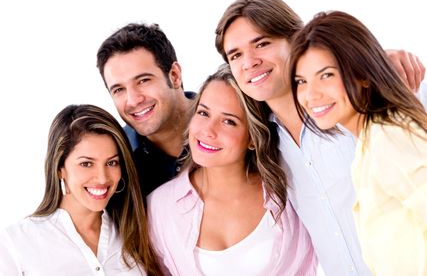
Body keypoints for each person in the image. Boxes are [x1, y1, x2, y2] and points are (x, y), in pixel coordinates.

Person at [214, 0, 427, 275]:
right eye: (235, 54)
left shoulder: (374, 98)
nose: (249, 62)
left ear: (295, 40)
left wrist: (375, 63)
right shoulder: (261, 144)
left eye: (262, 43)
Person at [290, 10, 427, 275]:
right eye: (301, 81)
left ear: (362, 74)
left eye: (326, 75)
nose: (311, 94)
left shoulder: (390, 137)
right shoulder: (369, 143)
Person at [147, 64, 317, 275]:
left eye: (229, 121)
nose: (208, 130)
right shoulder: (158, 207)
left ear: (253, 139)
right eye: (203, 113)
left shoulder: (290, 195)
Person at [0, 104, 162, 275]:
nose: (102, 178)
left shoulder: (136, 235)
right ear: (59, 168)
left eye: (111, 162)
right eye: (86, 164)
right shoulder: (15, 243)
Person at [96, 23, 194, 198]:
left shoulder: (237, 119)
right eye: (119, 90)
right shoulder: (116, 162)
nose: (133, 100)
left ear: (174, 75)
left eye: (143, 81)